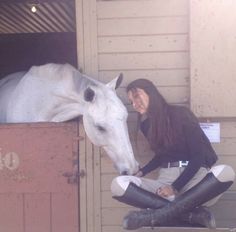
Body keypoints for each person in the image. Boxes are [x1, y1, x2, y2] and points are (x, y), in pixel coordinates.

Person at [110, 79, 235, 230]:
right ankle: (191, 214)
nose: (135, 105)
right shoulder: (146, 125)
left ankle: (154, 216)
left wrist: (175, 188)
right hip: (165, 180)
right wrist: (143, 171)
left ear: (151, 92)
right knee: (118, 185)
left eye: (137, 96)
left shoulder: (181, 114)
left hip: (196, 183)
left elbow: (198, 156)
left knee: (226, 172)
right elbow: (162, 155)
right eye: (131, 101)